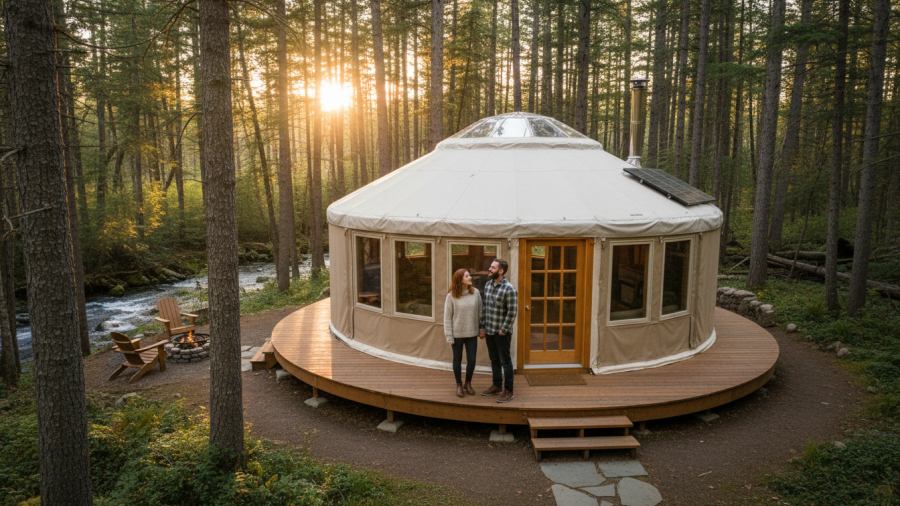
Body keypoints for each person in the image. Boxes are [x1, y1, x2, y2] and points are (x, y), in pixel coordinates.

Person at [479, 259, 518, 403]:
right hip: (489, 331)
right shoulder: (488, 285)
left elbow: (512, 312)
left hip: (502, 334)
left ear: (501, 271)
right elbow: (485, 309)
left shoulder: (510, 289)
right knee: (494, 360)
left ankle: (509, 391)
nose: (489, 269)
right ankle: (496, 386)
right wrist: (482, 327)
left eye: (493, 267)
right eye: (490, 266)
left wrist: (503, 330)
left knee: (505, 362)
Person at [443, 269, 482, 398]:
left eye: (469, 275)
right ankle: (459, 384)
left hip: (472, 333)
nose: (470, 277)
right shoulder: (451, 296)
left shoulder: (475, 293)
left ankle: (468, 383)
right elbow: (447, 317)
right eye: (467, 276)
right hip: (457, 334)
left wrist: (482, 328)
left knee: (472, 360)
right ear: (460, 280)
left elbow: (480, 313)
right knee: (457, 360)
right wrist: (449, 335)